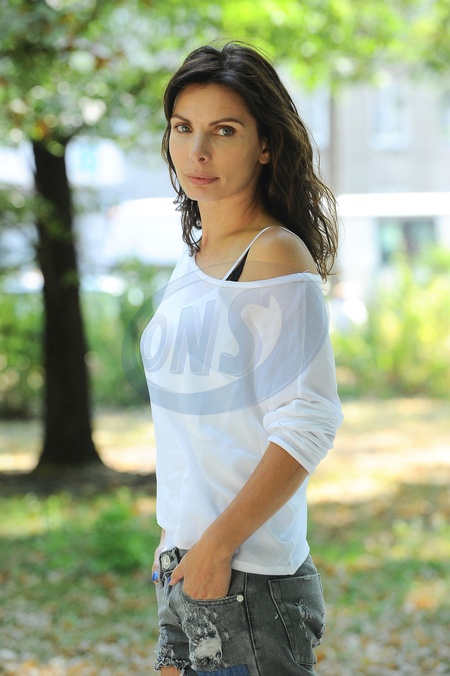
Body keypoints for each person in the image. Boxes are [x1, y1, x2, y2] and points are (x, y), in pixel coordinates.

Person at [141, 41, 343, 676]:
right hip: (186, 565)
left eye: (224, 130)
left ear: (265, 145)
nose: (197, 151)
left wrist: (217, 546)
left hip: (247, 579)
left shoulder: (275, 256)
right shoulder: (194, 257)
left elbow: (309, 421)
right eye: (184, 128)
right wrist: (177, 543)